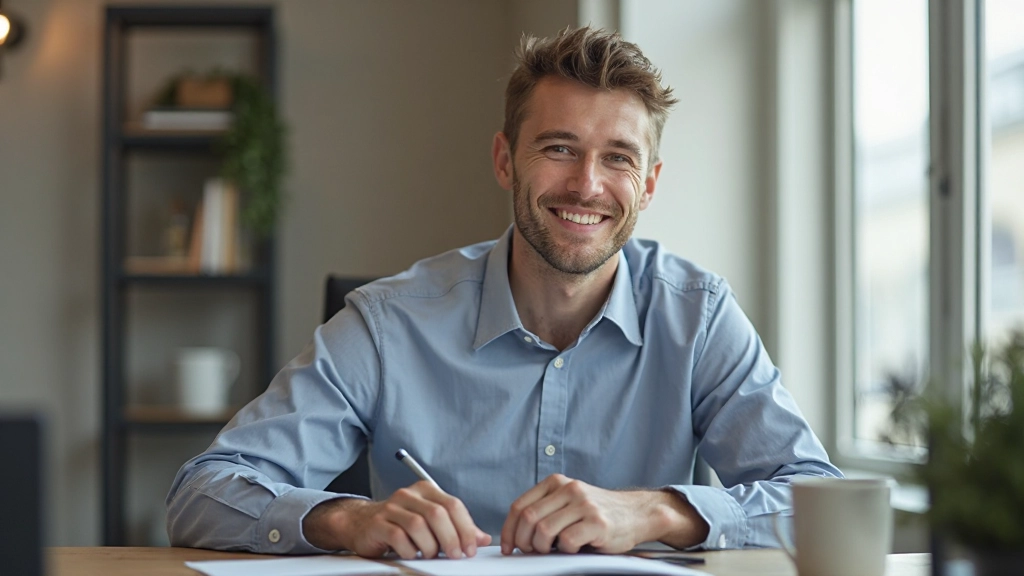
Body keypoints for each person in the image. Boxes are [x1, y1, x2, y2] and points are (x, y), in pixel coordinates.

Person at [166, 26, 841, 559]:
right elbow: (202, 491)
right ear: (503, 159)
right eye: (558, 148)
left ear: (650, 183)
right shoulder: (388, 322)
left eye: (618, 158)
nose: (586, 185)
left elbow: (824, 506)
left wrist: (659, 510)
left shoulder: (698, 316)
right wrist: (350, 518)